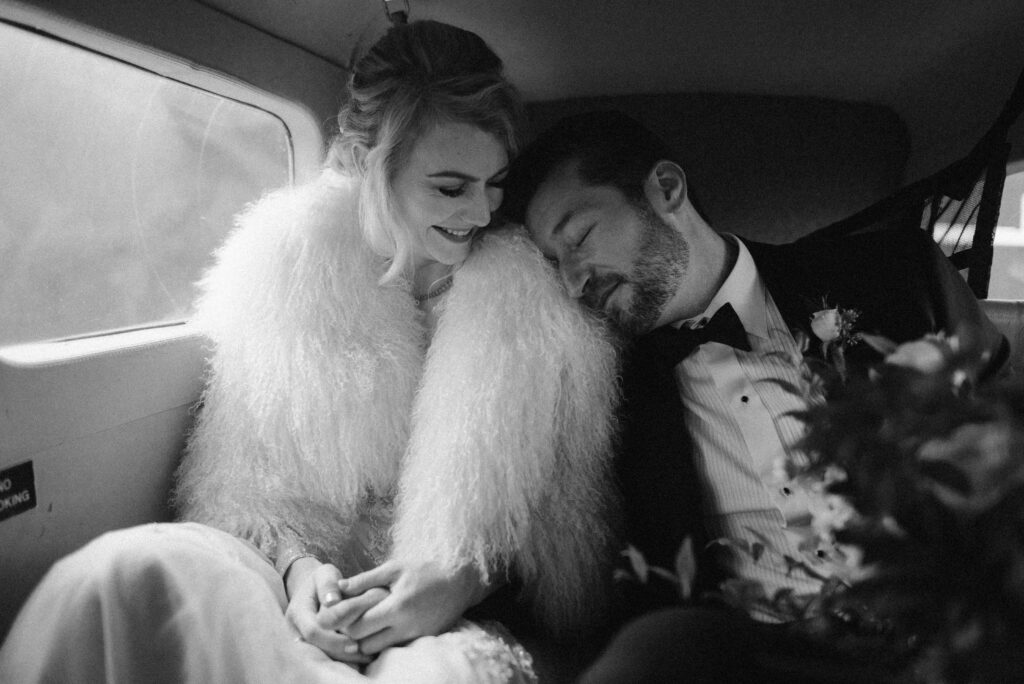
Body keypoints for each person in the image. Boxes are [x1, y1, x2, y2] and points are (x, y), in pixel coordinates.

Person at [0, 22, 621, 684]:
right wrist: (300, 573)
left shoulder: (533, 305)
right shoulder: (287, 264)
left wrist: (459, 579)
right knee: (119, 574)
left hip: (447, 622)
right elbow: (235, 489)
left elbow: (561, 553)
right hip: (291, 593)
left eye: (495, 183)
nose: (481, 210)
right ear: (367, 162)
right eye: (449, 186)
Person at [502, 110, 1009, 682]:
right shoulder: (601, 396)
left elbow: (1005, 445)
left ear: (666, 190)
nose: (572, 281)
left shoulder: (894, 275)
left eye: (580, 238)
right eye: (554, 264)